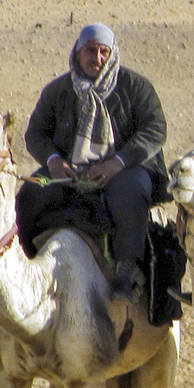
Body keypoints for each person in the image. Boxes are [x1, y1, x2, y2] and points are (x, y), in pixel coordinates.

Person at [15, 23, 169, 301]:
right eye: (90, 51)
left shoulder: (135, 87)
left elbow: (155, 129)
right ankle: (28, 264)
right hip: (70, 171)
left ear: (111, 55)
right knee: (29, 194)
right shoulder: (59, 90)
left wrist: (117, 163)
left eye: (103, 52)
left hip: (124, 169)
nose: (96, 58)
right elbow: (36, 132)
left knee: (131, 194)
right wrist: (52, 161)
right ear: (78, 51)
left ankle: (125, 270)